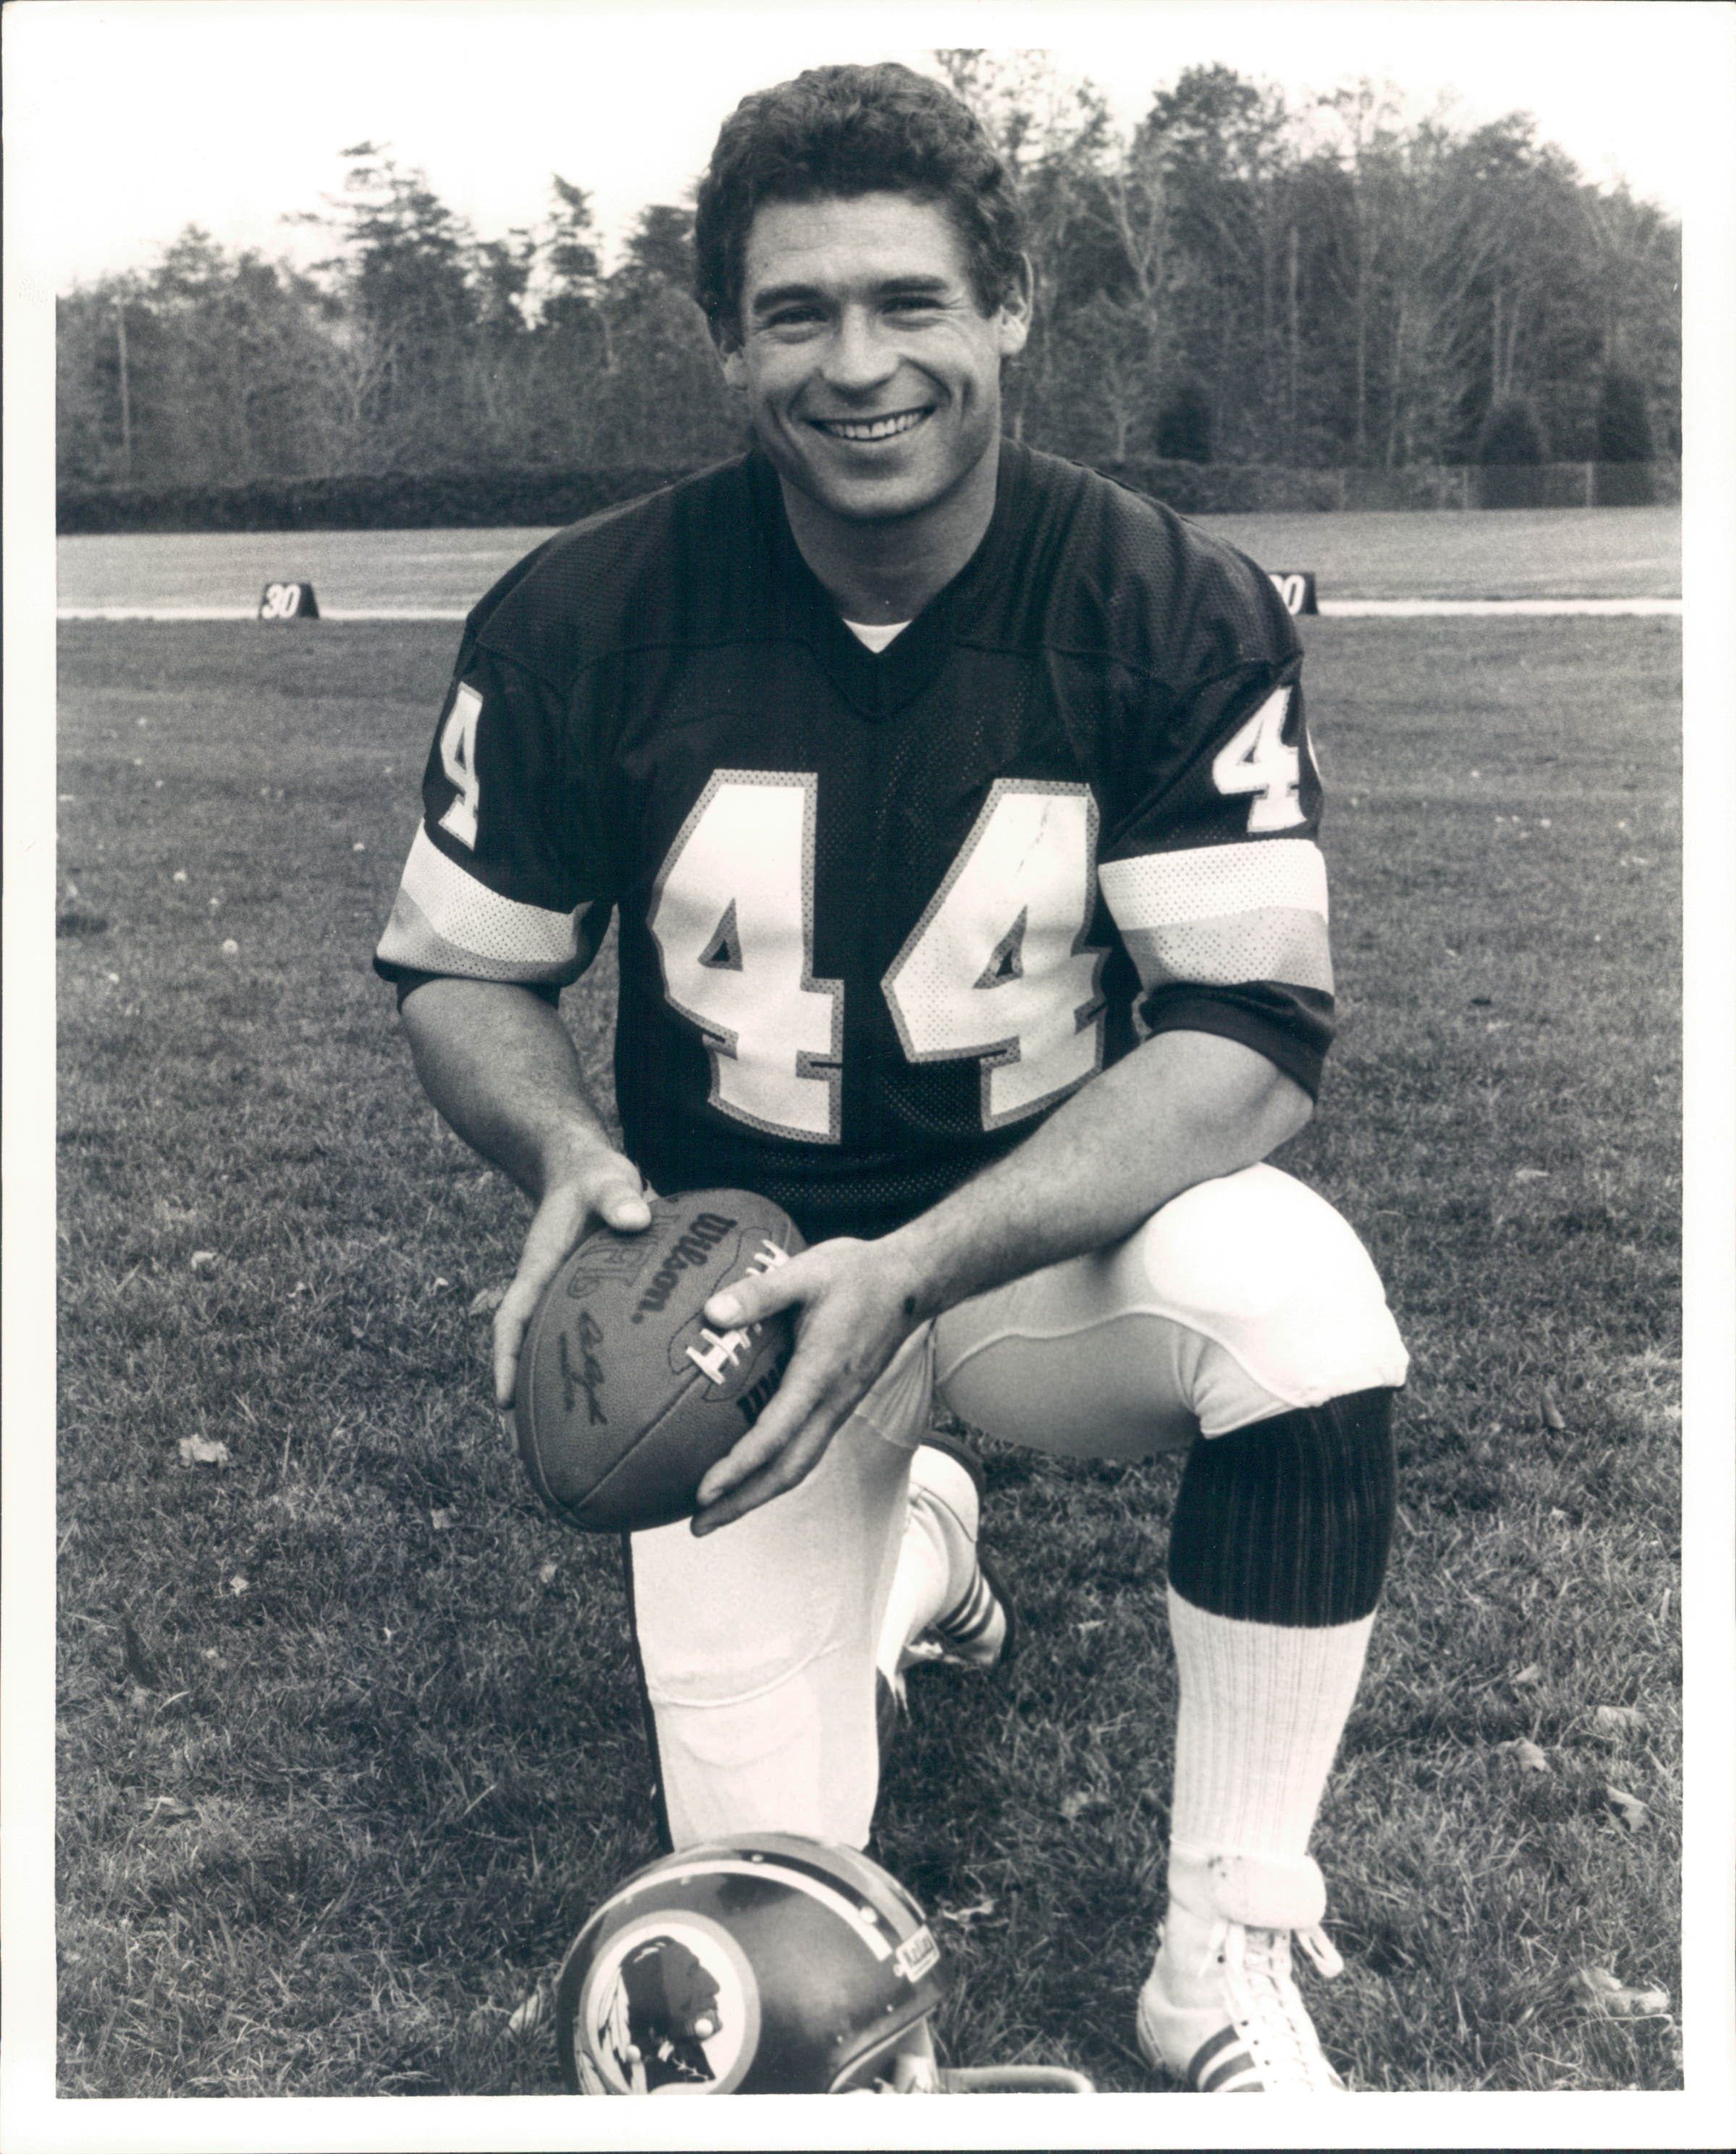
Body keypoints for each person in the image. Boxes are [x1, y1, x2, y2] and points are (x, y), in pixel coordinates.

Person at [375, 61, 1409, 2095]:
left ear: (1010, 306)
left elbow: (1253, 1041)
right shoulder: (585, 612)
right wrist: (569, 1147)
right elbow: (463, 978)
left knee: (1301, 1306)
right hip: (739, 1315)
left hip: (1032, 1265)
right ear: (726, 340)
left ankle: (1219, 1958)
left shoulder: (1163, 602)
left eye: (909, 302)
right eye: (797, 313)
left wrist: (923, 1265)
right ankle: (917, 1550)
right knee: (755, 1944)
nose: (858, 365)